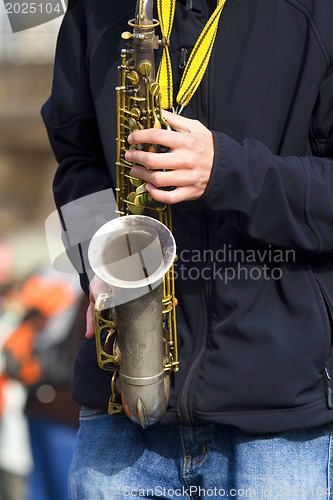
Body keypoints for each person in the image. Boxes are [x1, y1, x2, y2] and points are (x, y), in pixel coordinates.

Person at [41, 0, 333, 498]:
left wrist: (227, 170)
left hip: (276, 429)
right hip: (121, 424)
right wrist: (100, 260)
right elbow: (76, 158)